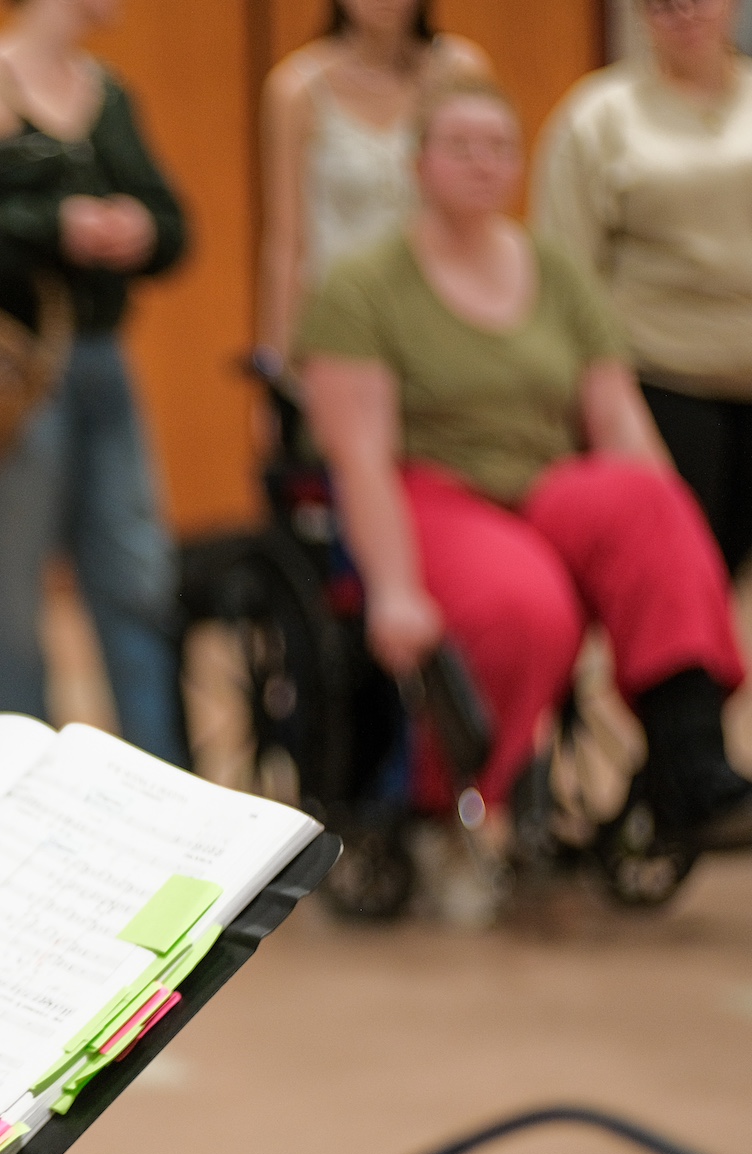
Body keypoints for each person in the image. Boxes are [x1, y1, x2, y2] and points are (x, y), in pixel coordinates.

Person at [297, 78, 752, 850]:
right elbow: (360, 456)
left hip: (543, 482)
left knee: (653, 502)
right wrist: (395, 591)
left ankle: (690, 763)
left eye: (499, 148)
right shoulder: (363, 285)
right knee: (527, 605)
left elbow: (617, 418)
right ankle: (454, 800)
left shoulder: (557, 271)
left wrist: (675, 539)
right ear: (418, 163)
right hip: (430, 488)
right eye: (460, 147)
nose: (483, 163)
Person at [0, 0, 188, 764]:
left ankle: (160, 779)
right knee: (10, 594)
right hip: (12, 370)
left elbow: (174, 226)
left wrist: (140, 229)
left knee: (135, 578)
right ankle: (19, 777)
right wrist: (54, 228)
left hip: (102, 362)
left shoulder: (109, 93)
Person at [534, 0, 752, 575]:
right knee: (681, 575)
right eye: (663, 5)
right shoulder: (599, 115)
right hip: (659, 381)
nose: (685, 15)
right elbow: (565, 273)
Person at [258, 0, 489, 372]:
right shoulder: (295, 88)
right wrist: (276, 360)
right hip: (341, 322)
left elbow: (484, 211)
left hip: (442, 315)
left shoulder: (460, 70)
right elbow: (286, 239)